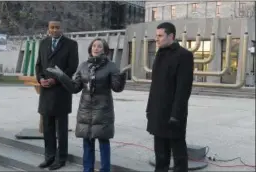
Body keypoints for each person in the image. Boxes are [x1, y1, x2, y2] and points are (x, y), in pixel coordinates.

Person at [46, 38, 128, 172]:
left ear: (105, 50)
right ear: (90, 49)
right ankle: (87, 169)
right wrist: (62, 76)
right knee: (87, 142)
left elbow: (117, 88)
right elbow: (75, 88)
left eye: (99, 46)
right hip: (85, 109)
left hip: (103, 110)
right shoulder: (83, 66)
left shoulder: (110, 66)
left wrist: (122, 76)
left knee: (103, 142)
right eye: (94, 46)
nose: (96, 48)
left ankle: (105, 169)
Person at [146, 22, 194, 172]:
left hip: (174, 114)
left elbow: (183, 89)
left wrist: (176, 115)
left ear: (171, 36)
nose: (157, 39)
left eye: (160, 36)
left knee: (178, 154)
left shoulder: (184, 55)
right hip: (157, 112)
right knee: (160, 155)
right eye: (156, 36)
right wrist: (149, 109)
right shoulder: (159, 54)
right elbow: (155, 86)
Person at [35, 17, 79, 170]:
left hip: (61, 92)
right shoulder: (43, 43)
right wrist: (40, 79)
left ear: (62, 28)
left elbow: (72, 67)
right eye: (52, 27)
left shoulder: (71, 45)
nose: (54, 30)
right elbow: (39, 65)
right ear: (48, 28)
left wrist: (56, 80)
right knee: (47, 128)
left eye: (57, 27)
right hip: (46, 92)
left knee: (61, 130)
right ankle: (49, 157)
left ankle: (61, 159)